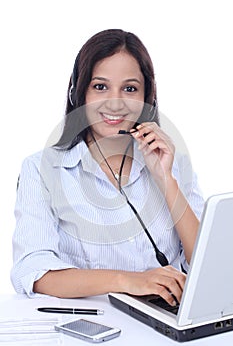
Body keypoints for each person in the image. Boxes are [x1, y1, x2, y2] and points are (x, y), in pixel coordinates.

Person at [11, 29, 204, 307]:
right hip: (93, 320)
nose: (115, 102)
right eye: (100, 86)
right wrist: (128, 281)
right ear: (79, 93)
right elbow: (33, 272)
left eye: (130, 88)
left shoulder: (173, 162)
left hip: (168, 320)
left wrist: (166, 179)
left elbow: (206, 266)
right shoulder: (42, 169)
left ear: (146, 97)